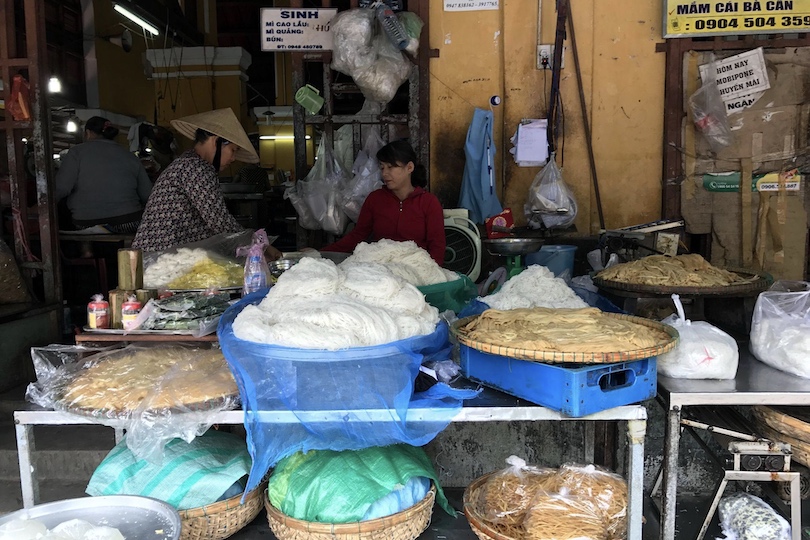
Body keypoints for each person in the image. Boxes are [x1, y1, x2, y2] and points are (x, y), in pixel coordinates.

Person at [132, 108, 280, 260]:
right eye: (233, 150)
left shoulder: (188, 163)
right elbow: (220, 222)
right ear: (216, 141)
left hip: (157, 257)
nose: (233, 158)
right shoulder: (196, 167)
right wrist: (261, 245)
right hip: (158, 260)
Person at [323, 139, 446, 264]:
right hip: (382, 271)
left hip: (417, 269)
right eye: (382, 168)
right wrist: (321, 254)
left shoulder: (429, 202)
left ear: (409, 167)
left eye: (390, 167)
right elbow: (358, 236)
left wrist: (432, 274)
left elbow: (437, 246)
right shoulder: (375, 199)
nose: (384, 173)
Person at [55, 116, 152, 233]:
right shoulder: (129, 155)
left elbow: (61, 188)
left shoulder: (76, 152)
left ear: (88, 133)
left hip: (88, 224)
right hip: (129, 221)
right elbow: (147, 194)